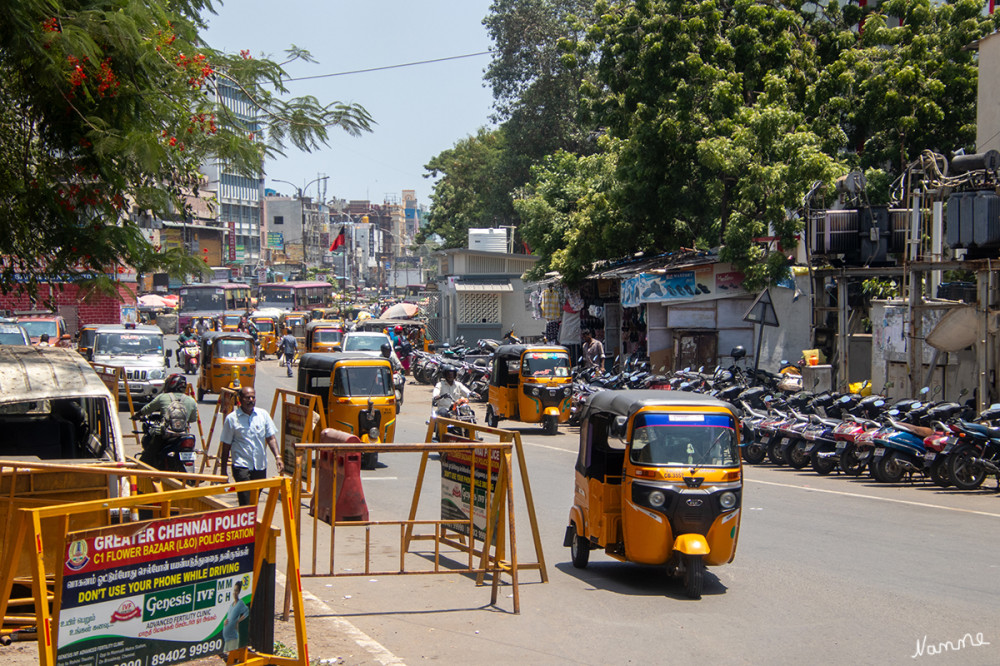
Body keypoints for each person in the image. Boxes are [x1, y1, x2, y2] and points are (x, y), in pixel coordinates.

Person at [220, 386, 283, 505]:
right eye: (247, 397)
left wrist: (278, 457)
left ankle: (248, 522)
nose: (251, 400)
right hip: (241, 466)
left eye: (253, 397)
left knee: (253, 502)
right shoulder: (232, 419)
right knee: (245, 500)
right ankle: (248, 522)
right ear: (240, 399)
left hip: (259, 467)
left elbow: (271, 438)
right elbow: (226, 445)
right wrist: (223, 470)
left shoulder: (263, 415)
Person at [221, 578, 250, 653]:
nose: (234, 592)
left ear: (239, 592)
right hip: (227, 639)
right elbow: (229, 617)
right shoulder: (231, 605)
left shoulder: (240, 603)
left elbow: (246, 611)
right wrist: (225, 622)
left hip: (233, 637)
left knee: (232, 659)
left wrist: (238, 621)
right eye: (234, 590)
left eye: (236, 590)